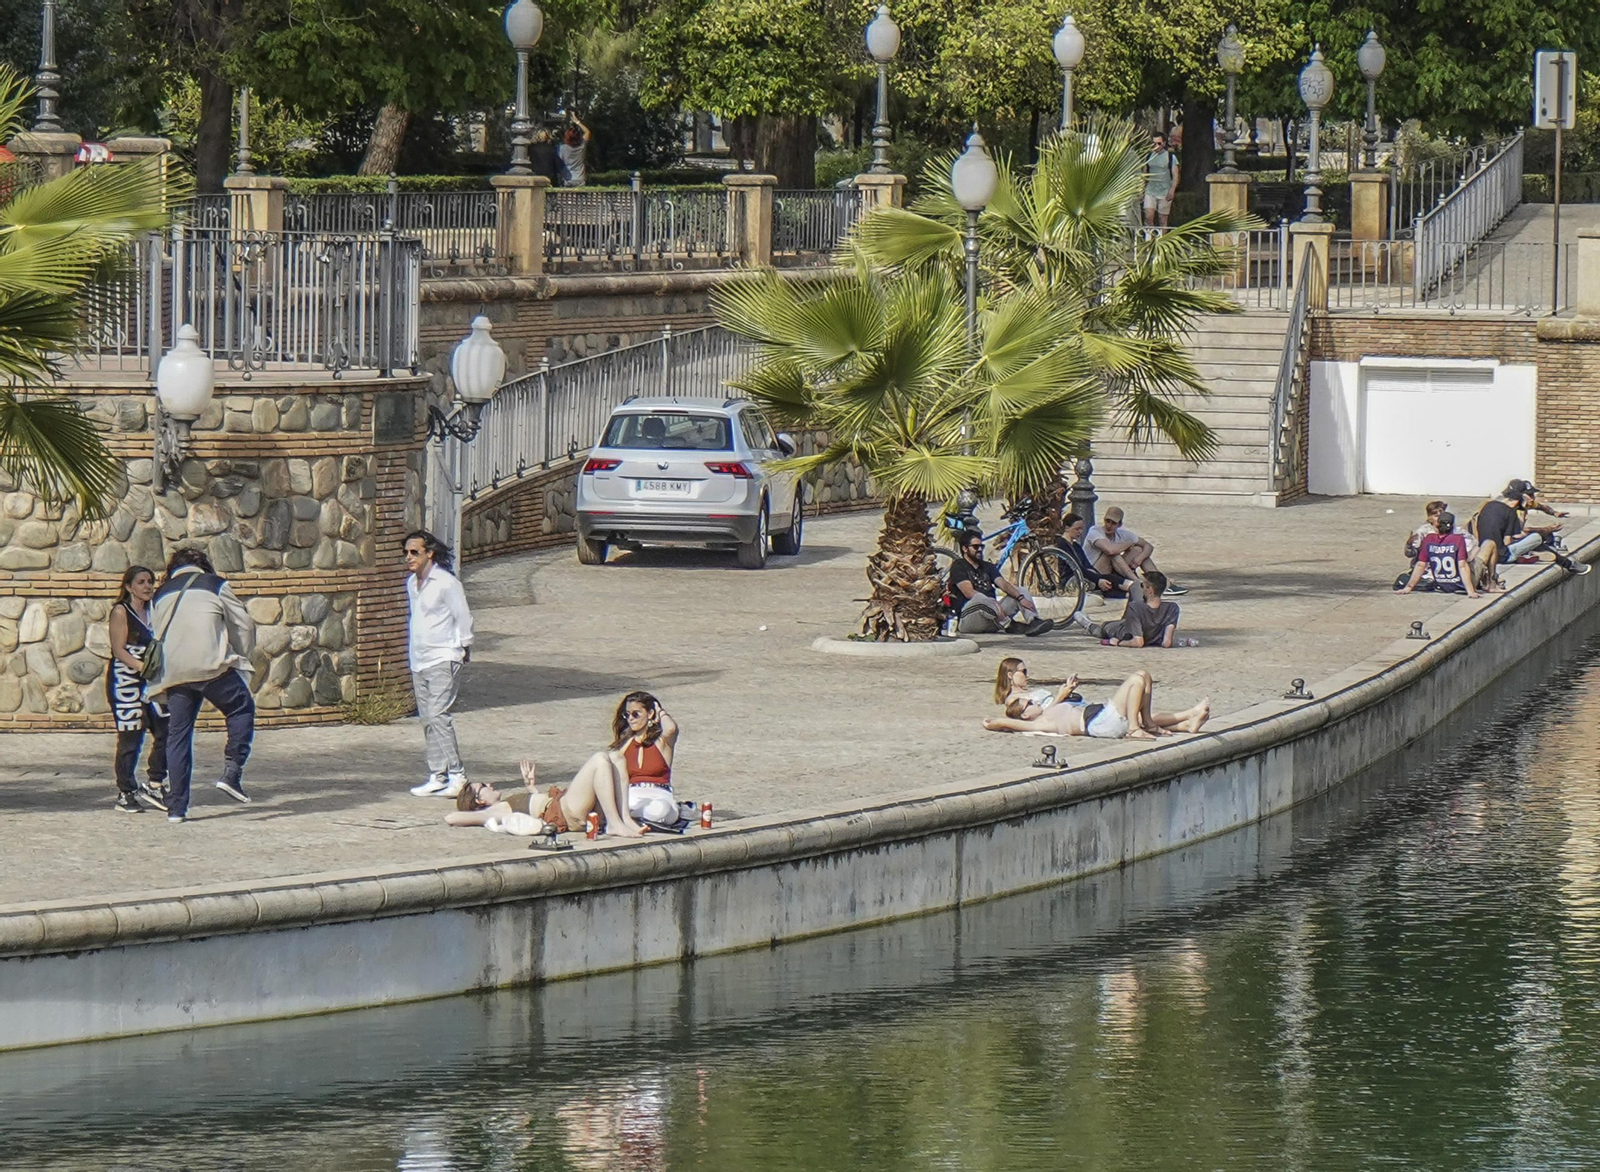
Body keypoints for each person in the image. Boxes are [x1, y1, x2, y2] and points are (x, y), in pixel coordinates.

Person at [145, 548, 256, 823]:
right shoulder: (215, 584)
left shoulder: (160, 594)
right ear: (202, 565)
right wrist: (240, 656)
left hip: (174, 673)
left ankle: (176, 809)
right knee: (241, 708)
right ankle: (232, 772)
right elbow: (244, 625)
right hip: (210, 666)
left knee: (178, 736)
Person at [537, 693, 682, 837]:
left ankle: (627, 819)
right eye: (627, 714)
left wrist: (660, 711)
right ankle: (624, 820)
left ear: (650, 713)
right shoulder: (626, 742)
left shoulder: (662, 742)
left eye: (636, 714)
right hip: (631, 795)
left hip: (659, 793)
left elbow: (671, 729)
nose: (630, 718)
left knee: (659, 810)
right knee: (613, 758)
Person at [405, 530, 475, 798]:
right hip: (419, 659)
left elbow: (463, 616)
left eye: (415, 552)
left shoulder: (446, 583)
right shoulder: (412, 584)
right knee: (426, 718)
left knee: (438, 715)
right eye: (407, 553)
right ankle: (437, 775)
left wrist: (463, 647)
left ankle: (458, 775)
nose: (409, 557)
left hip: (444, 657)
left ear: (429, 553)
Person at [983, 669, 1210, 740]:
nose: (1034, 701)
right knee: (1137, 680)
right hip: (1097, 723)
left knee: (1144, 676)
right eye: (1029, 703)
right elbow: (1008, 724)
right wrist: (992, 723)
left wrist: (1064, 692)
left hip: (1100, 715)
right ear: (1025, 715)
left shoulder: (1049, 710)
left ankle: (1184, 723)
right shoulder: (1039, 723)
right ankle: (1135, 728)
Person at [105, 565, 170, 813]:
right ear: (129, 586)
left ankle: (155, 782)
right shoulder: (121, 612)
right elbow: (118, 649)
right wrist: (141, 666)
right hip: (127, 681)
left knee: (166, 728)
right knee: (131, 738)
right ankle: (126, 792)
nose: (147, 586)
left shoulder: (155, 611)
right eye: (141, 582)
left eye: (150, 582)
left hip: (153, 680)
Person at [1472, 481, 1588, 591]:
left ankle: (1535, 553)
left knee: (1533, 538)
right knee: (1537, 537)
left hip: (1485, 550)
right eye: (1530, 496)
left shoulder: (1488, 506)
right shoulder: (1510, 512)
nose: (1532, 499)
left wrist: (1554, 513)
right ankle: (1566, 563)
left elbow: (1541, 507)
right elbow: (1509, 540)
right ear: (1521, 497)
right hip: (1503, 556)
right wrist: (1544, 530)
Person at [948, 527, 1054, 636]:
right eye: (975, 547)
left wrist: (1020, 598)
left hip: (994, 616)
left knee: (1020, 590)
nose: (979, 549)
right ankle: (1009, 625)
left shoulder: (987, 566)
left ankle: (1034, 621)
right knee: (979, 598)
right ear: (965, 549)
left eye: (981, 546)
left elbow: (1003, 584)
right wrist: (992, 602)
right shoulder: (958, 566)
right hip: (969, 619)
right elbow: (969, 592)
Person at [1082, 507, 1187, 596]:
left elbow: (1148, 546)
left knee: (1138, 550)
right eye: (1107, 521)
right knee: (1112, 555)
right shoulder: (1095, 531)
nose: (1109, 525)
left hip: (1114, 570)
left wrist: (1139, 558)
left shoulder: (1122, 534)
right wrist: (1128, 544)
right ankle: (1138, 583)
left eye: (1113, 523)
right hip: (1095, 572)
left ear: (1119, 524)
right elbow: (1110, 550)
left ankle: (1161, 582)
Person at [1087, 570, 1182, 647]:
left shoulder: (1135, 607)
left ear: (1150, 590)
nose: (1142, 589)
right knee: (1135, 587)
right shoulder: (1172, 608)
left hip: (1122, 631)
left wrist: (1118, 643)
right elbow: (1167, 643)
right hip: (1137, 625)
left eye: (1143, 586)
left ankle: (1085, 622)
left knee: (1102, 629)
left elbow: (1138, 642)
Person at [447, 763, 548, 833]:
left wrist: (532, 789)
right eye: (483, 785)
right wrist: (478, 816)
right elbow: (450, 818)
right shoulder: (493, 812)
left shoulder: (504, 804)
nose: (489, 784)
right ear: (479, 800)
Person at [1399, 512, 1479, 598]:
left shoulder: (1429, 538)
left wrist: (1408, 587)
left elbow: (1420, 565)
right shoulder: (1458, 539)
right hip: (1458, 584)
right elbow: (1462, 566)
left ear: (1437, 525)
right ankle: (1489, 582)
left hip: (1441, 584)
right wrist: (1471, 591)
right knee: (1481, 548)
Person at [1057, 513, 1134, 597]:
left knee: (1109, 579)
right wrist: (1098, 579)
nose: (1080, 532)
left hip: (1082, 574)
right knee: (1104, 582)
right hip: (1071, 579)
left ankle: (1132, 591)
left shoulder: (1076, 546)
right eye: (1077, 529)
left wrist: (1098, 576)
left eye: (1081, 529)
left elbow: (1087, 564)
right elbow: (1077, 567)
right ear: (1067, 528)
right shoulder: (1062, 543)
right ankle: (1132, 590)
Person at [993, 657, 1080, 709]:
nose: (1027, 675)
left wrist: (1068, 689)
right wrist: (1061, 696)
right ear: (1010, 675)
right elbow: (1040, 716)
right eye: (1023, 671)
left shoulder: (1026, 693)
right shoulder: (1012, 700)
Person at [1142, 131, 1180, 228]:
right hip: (1150, 190)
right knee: (1148, 216)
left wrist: (1172, 190)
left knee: (1162, 219)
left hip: (1164, 191)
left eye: (1159, 143)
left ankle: (1161, 241)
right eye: (1154, 143)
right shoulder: (1148, 156)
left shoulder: (1170, 157)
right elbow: (1144, 174)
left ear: (1163, 143)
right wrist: (1142, 189)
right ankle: (1149, 239)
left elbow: (1175, 175)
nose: (1156, 146)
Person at [559, 116, 592, 187]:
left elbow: (560, 162)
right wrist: (577, 122)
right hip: (580, 178)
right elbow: (588, 132)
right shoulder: (582, 145)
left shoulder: (562, 148)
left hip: (568, 178)